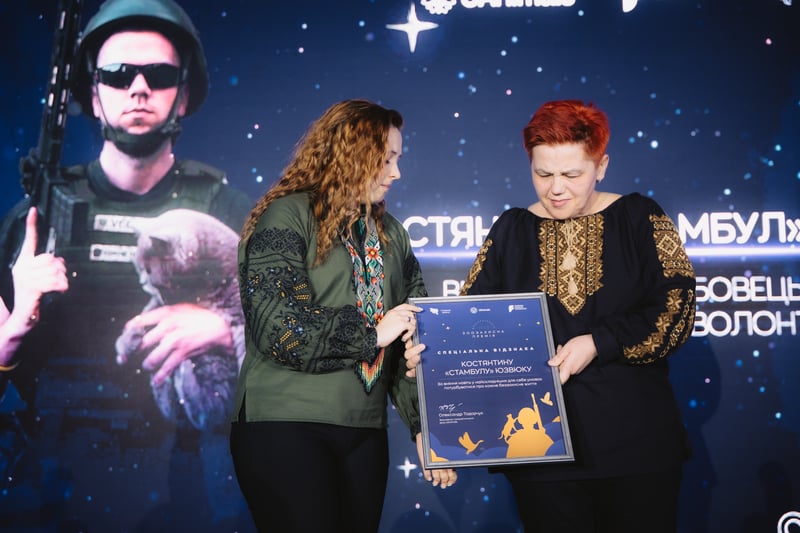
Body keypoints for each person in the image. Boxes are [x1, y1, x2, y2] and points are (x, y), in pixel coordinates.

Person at [0, 0, 253, 530]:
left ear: (183, 95)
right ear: (94, 95)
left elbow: (308, 354)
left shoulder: (232, 214)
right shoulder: (31, 222)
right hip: (55, 490)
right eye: (117, 75)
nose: (138, 89)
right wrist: (12, 333)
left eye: (158, 75)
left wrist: (229, 329)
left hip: (193, 487)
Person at [406, 100, 696, 533]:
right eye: (543, 174)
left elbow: (677, 311)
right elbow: (468, 322)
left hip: (637, 446)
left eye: (572, 175)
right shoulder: (511, 229)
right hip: (540, 452)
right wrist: (432, 361)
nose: (556, 188)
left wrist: (597, 343)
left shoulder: (640, 217)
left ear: (601, 166)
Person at [230, 99, 458, 533]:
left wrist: (425, 428)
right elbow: (279, 327)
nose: (396, 173)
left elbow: (412, 338)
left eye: (397, 159)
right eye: (386, 159)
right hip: (285, 424)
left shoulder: (392, 234)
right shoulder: (287, 214)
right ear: (350, 153)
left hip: (364, 432)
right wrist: (373, 334)